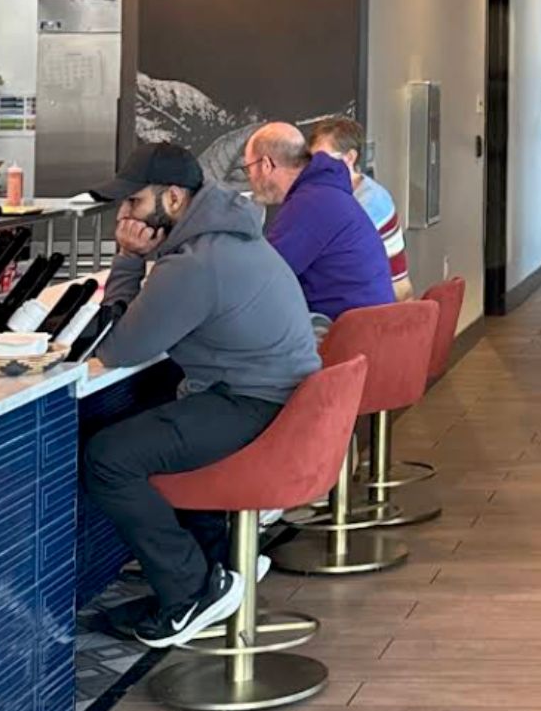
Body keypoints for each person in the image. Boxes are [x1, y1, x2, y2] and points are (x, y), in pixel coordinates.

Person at [81, 142, 323, 647]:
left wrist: (128, 258)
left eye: (134, 201)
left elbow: (120, 347)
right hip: (286, 403)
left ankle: (191, 591)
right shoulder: (229, 236)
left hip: (256, 406)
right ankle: (219, 566)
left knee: (109, 458)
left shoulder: (195, 262)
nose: (124, 215)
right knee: (164, 417)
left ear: (173, 197)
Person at [243, 122, 396, 320]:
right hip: (369, 327)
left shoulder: (310, 204)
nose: (249, 179)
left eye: (248, 169)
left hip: (344, 331)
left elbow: (261, 278)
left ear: (266, 165)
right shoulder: (325, 192)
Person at [306, 117, 412, 301]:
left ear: (350, 158)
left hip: (386, 302)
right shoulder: (344, 193)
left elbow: (328, 252)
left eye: (322, 159)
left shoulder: (369, 201)